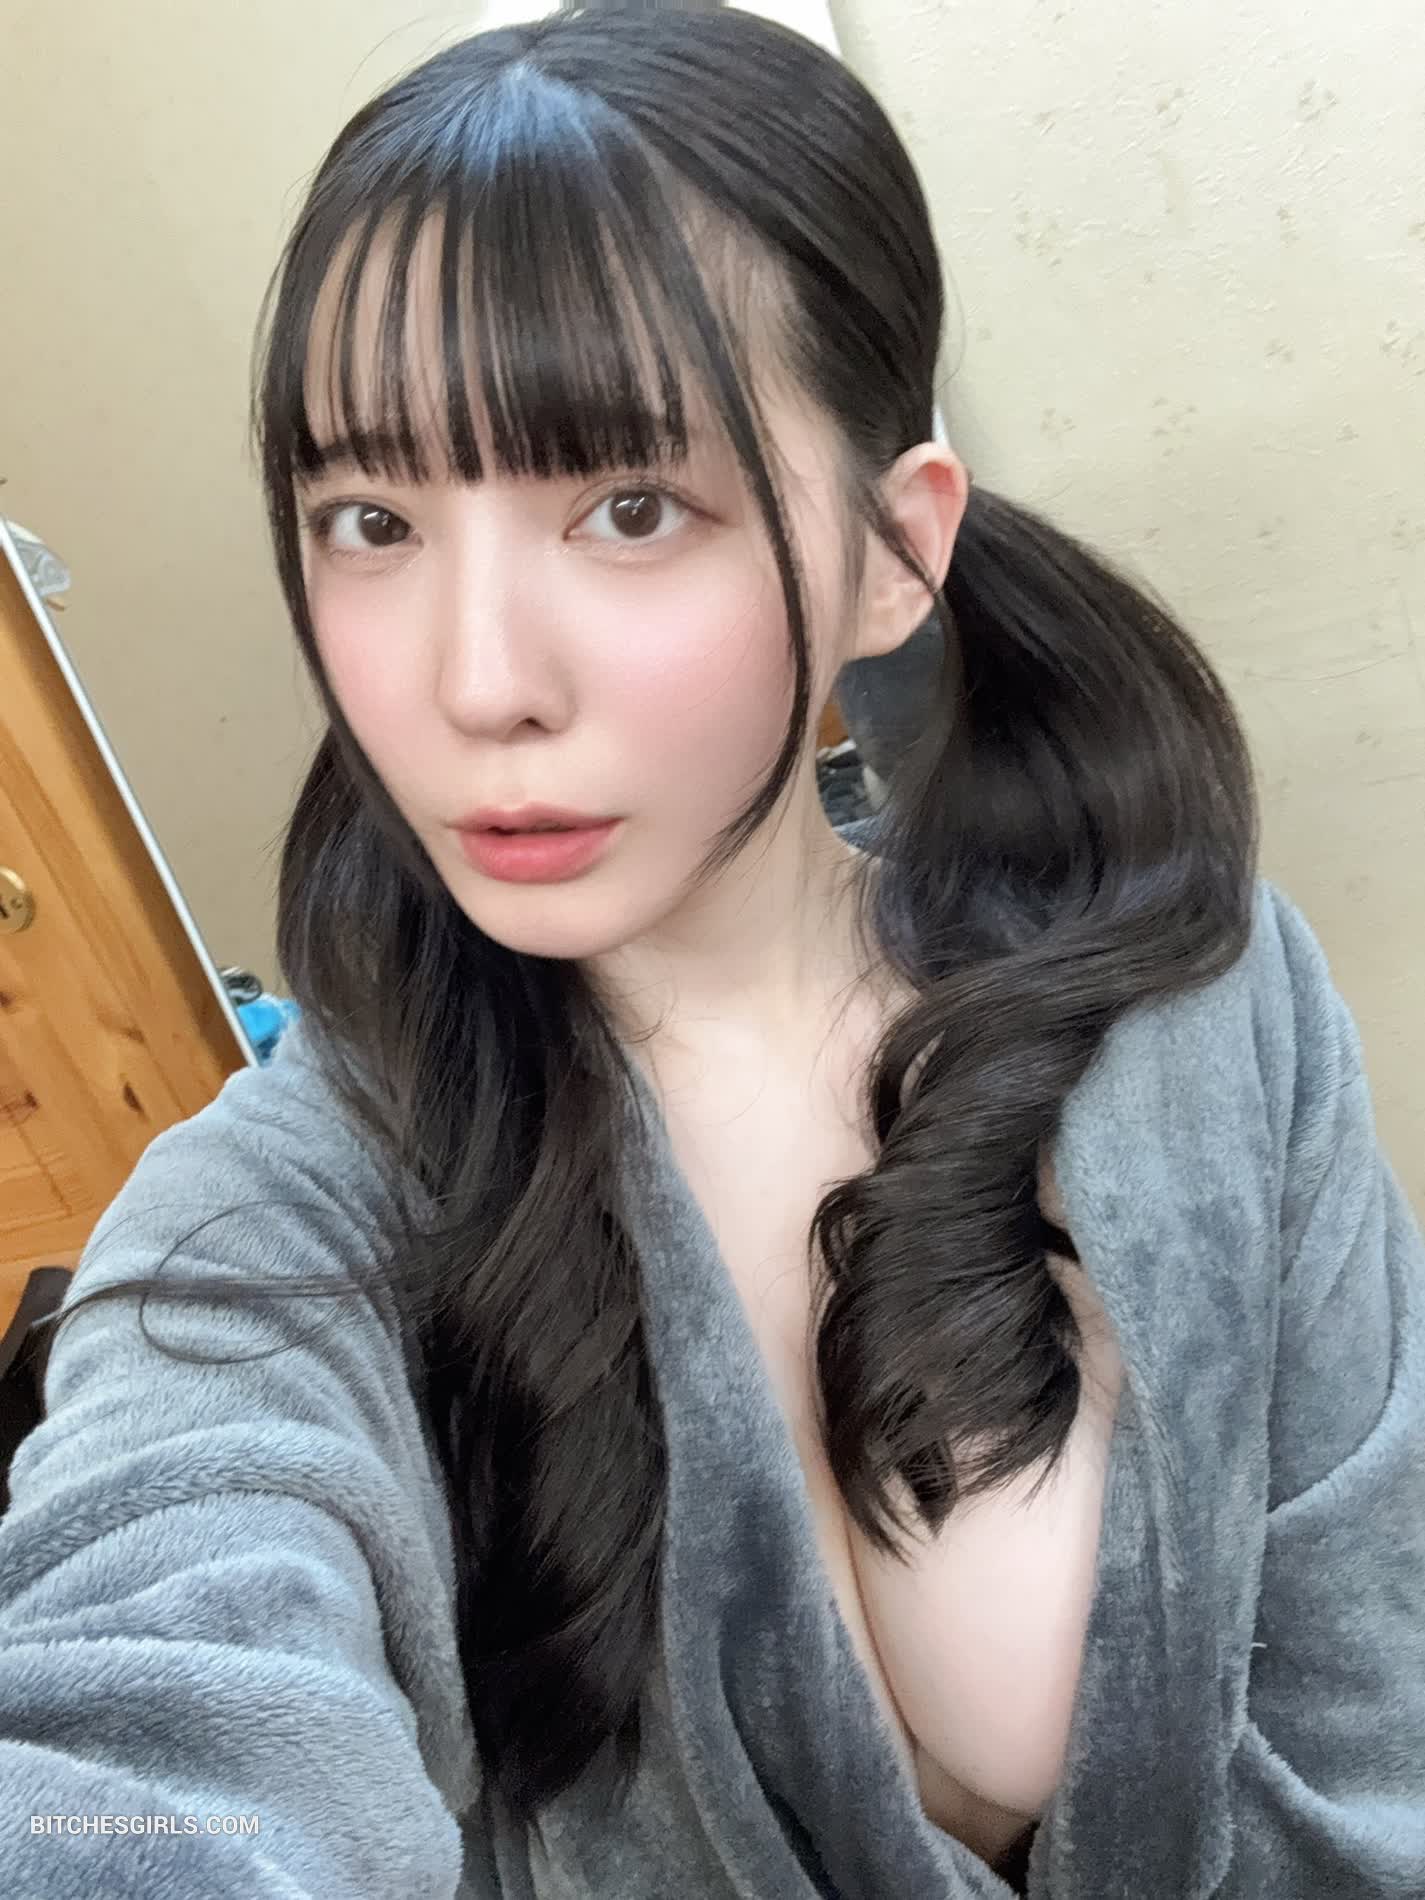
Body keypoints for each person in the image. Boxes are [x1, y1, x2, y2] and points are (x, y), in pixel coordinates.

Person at [1, 7, 1421, 1897]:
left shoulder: (1201, 1014)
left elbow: (1376, 1724)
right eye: (371, 520)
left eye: (629, 508)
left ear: (891, 552)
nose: (474, 683)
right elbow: (138, 1747)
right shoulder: (289, 1212)